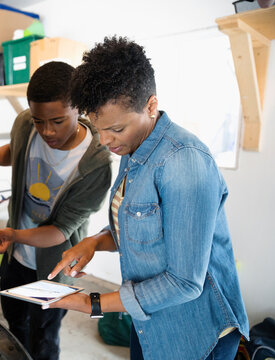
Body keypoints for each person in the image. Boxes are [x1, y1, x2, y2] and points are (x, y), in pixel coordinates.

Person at [46, 36, 249, 360]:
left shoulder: (184, 162)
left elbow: (184, 283)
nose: (105, 140)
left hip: (195, 333)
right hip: (149, 320)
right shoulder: (133, 144)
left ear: (151, 106)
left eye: (115, 129)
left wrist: (93, 303)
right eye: (99, 129)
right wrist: (95, 242)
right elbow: (142, 227)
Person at [0, 61, 112, 360]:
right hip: (16, 260)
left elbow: (59, 232)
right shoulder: (25, 123)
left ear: (78, 108)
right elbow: (15, 150)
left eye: (57, 121)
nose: (46, 131)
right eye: (39, 120)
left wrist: (11, 234)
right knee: (15, 325)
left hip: (54, 269)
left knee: (43, 336)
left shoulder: (96, 165)